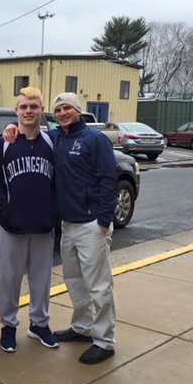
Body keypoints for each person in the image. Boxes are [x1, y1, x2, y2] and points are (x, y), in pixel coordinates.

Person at [0, 87, 59, 353]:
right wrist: (5, 211)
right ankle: (8, 325)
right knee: (9, 278)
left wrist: (53, 212)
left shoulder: (52, 141)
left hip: (43, 224)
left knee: (42, 279)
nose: (28, 111)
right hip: (13, 224)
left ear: (42, 110)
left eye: (34, 106)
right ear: (16, 111)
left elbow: (58, 181)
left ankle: (39, 324)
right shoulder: (4, 142)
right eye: (24, 107)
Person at [50, 92, 118, 364]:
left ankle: (104, 341)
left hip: (91, 224)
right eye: (58, 110)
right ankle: (82, 327)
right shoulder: (56, 138)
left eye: (67, 108)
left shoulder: (95, 139)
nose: (63, 113)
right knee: (74, 280)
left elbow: (108, 179)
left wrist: (104, 220)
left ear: (78, 111)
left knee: (99, 286)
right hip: (68, 223)